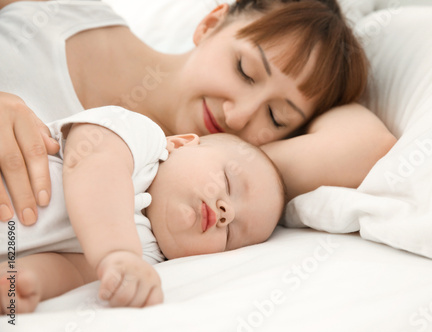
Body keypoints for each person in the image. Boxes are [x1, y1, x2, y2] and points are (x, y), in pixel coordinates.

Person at [0, 0, 396, 226]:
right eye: (245, 71)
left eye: (276, 118)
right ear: (210, 23)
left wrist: (204, 160)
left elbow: (369, 147)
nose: (238, 117)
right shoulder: (62, 11)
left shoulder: (161, 179)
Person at [0, 105, 285, 313]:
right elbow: (92, 163)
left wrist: (25, 279)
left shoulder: (146, 258)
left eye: (231, 236)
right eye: (228, 182)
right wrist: (117, 252)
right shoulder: (141, 140)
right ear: (181, 143)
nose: (227, 214)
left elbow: (71, 270)